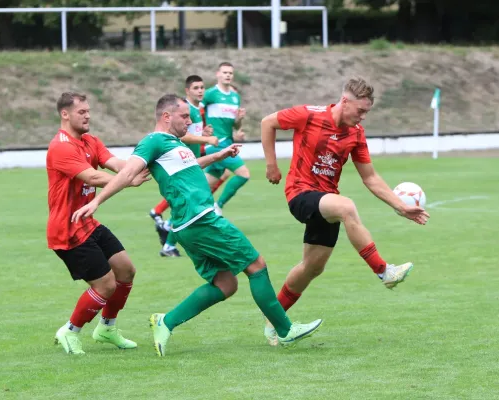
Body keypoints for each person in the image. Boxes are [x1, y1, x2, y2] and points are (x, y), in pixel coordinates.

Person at [72, 94, 323, 357]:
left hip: (187, 225)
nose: (190, 122)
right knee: (256, 266)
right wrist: (97, 200)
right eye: (184, 116)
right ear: (166, 116)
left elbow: (190, 166)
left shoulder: (172, 143)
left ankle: (165, 322)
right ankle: (284, 330)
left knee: (226, 283)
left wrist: (218, 156)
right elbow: (126, 172)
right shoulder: (153, 141)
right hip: (201, 218)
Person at [260, 78, 430, 346]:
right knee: (346, 206)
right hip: (301, 194)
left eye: (367, 112)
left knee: (312, 267)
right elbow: (267, 122)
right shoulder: (309, 115)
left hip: (326, 202)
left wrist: (402, 207)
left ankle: (274, 321)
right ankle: (384, 271)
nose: (363, 117)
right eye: (360, 111)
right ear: (344, 101)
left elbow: (371, 178)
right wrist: (272, 164)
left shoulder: (356, 134)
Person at [46, 92, 150, 355]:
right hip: (67, 229)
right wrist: (128, 180)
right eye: (82, 112)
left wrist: (146, 164)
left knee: (126, 270)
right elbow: (92, 176)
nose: (88, 115)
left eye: (88, 111)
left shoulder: (90, 141)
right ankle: (70, 330)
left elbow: (116, 164)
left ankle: (107, 328)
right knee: (105, 285)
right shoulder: (61, 146)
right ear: (65, 114)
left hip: (88, 222)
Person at [149, 75, 219, 257]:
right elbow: (183, 137)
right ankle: (169, 241)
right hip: (184, 166)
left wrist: (202, 133)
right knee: (189, 204)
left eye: (203, 87)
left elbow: (190, 133)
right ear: (187, 90)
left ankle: (168, 236)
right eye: (196, 88)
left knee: (190, 203)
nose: (201, 91)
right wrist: (207, 138)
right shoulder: (187, 111)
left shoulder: (196, 110)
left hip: (193, 162)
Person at [203, 62, 249, 216]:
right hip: (216, 144)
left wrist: (239, 119)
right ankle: (218, 205)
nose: (228, 75)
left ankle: (171, 224)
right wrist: (201, 132)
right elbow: (196, 111)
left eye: (230, 73)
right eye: (225, 72)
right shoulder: (210, 94)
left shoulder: (235, 98)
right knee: (244, 174)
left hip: (228, 144)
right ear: (218, 74)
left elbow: (235, 126)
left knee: (202, 190)